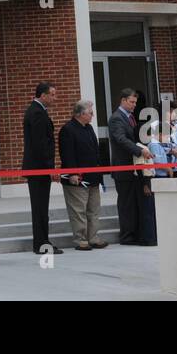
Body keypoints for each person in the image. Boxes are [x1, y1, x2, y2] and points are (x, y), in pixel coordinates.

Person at [59, 100, 108, 250]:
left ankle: (93, 237)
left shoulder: (89, 128)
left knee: (93, 209)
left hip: (93, 177)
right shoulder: (68, 129)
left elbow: (95, 151)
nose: (92, 116)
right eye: (90, 113)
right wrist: (72, 173)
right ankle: (80, 239)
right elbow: (67, 154)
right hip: (77, 178)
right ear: (81, 114)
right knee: (78, 210)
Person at [22, 82, 62, 254]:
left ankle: (42, 242)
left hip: (39, 167)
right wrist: (50, 168)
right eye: (52, 94)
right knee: (40, 209)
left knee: (41, 208)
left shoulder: (37, 111)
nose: (55, 98)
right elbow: (41, 145)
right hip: (38, 168)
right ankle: (41, 244)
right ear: (43, 95)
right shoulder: (37, 113)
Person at [108, 87, 152, 243]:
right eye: (132, 102)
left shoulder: (130, 117)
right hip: (123, 167)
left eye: (135, 102)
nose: (134, 105)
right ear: (123, 100)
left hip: (134, 168)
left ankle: (136, 233)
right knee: (127, 204)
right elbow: (121, 139)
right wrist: (140, 151)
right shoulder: (117, 118)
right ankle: (126, 236)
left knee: (134, 202)